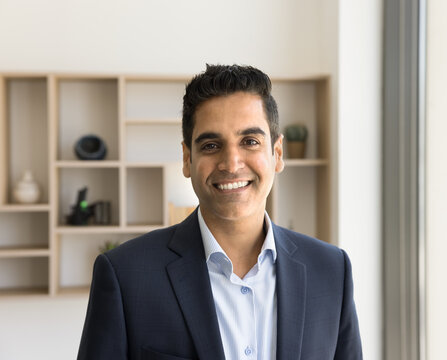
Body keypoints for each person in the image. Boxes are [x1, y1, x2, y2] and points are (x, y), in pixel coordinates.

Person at [77, 64, 362, 360]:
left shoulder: (331, 271)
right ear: (187, 159)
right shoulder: (125, 276)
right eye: (212, 145)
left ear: (277, 154)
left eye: (250, 141)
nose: (231, 162)